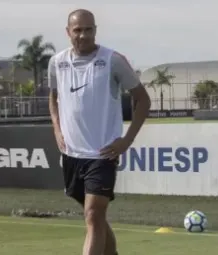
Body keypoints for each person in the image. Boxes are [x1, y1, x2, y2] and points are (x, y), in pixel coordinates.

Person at [48, 9, 151, 255]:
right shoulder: (57, 62)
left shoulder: (112, 60)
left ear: (95, 30)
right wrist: (56, 129)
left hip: (102, 154)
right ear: (68, 32)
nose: (83, 35)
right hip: (71, 154)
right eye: (77, 30)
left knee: (93, 214)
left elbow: (143, 100)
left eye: (88, 29)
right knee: (96, 217)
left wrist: (127, 140)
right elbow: (53, 97)